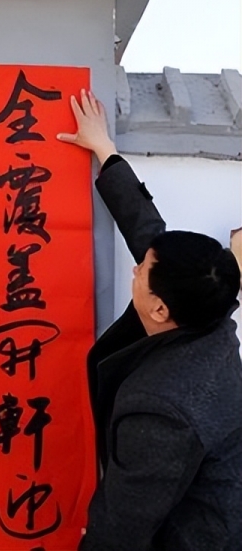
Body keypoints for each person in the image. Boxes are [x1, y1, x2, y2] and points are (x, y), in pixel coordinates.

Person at [57, 90, 242, 551]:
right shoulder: (207, 304)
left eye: (142, 270)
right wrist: (105, 150)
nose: (136, 268)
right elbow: (151, 236)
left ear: (160, 309)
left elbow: (122, 528)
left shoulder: (162, 411)